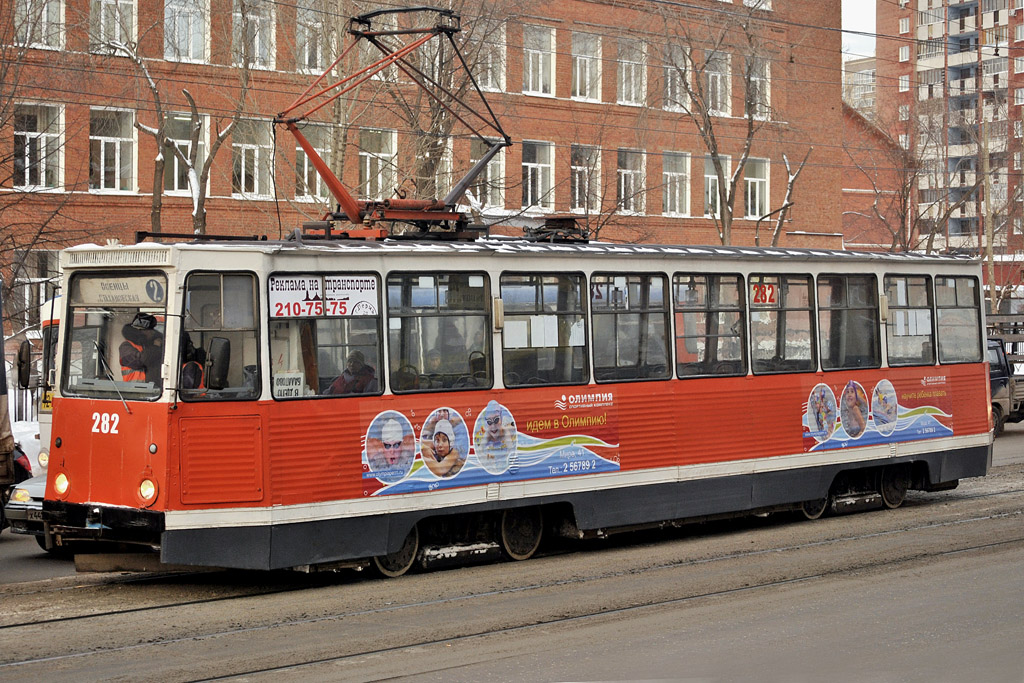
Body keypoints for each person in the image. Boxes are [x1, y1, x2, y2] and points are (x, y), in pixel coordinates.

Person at [120, 313, 163, 385]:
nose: (152, 333)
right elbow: (139, 362)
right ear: (140, 331)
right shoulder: (126, 346)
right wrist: (155, 347)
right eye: (149, 330)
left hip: (154, 390)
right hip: (134, 390)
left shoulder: (150, 344)